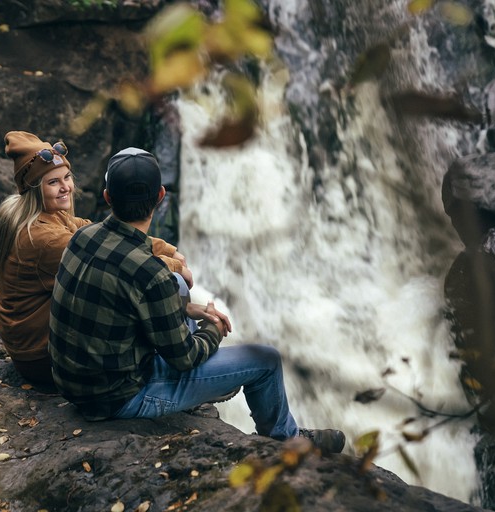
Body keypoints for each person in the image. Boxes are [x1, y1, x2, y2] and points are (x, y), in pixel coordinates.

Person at [49, 147, 346, 454]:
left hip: (73, 384)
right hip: (119, 398)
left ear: (108, 197)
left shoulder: (81, 238)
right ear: (161, 196)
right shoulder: (151, 274)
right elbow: (185, 359)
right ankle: (287, 440)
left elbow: (126, 295)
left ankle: (211, 383)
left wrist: (185, 306)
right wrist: (213, 328)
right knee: (266, 360)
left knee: (177, 284)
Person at [0, 131, 192, 387]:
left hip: (34, 346)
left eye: (66, 177)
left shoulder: (46, 217)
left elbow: (101, 233)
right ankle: (182, 368)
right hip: (44, 359)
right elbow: (120, 267)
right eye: (53, 182)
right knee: (160, 284)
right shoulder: (46, 239)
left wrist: (168, 249)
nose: (66, 188)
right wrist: (175, 265)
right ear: (34, 189)